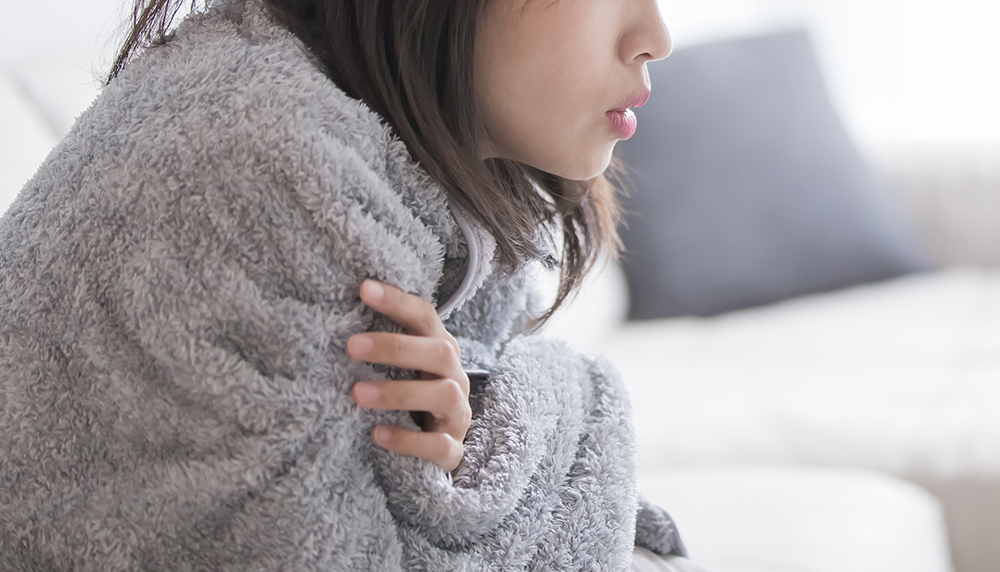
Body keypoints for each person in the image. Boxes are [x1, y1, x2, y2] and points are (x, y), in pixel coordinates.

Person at [0, 0, 702, 570]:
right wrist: (570, 413)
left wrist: (466, 422)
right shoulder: (267, 166)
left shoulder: (408, 158)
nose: (656, 38)